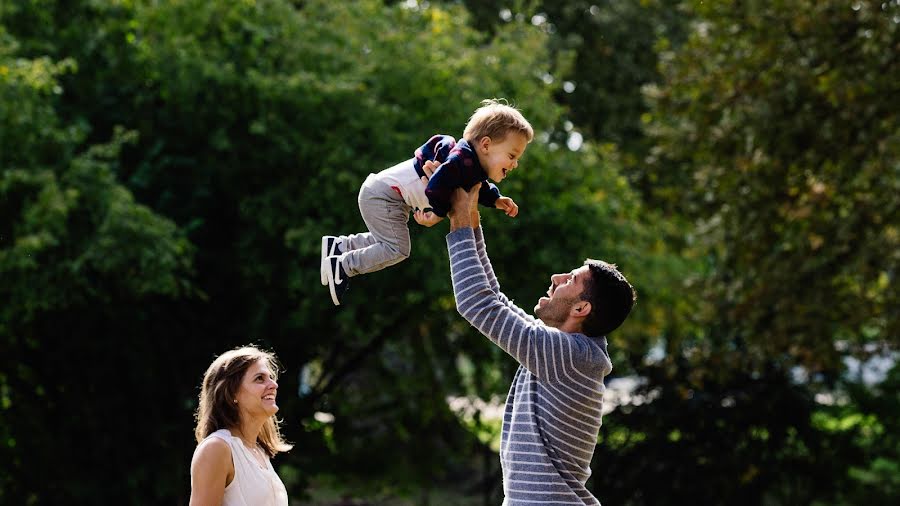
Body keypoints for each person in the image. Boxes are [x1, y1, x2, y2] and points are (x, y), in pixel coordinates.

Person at [444, 179, 636, 505]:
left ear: (581, 308)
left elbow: (477, 303)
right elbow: (495, 300)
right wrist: (469, 215)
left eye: (570, 280)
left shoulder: (565, 354)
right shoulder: (565, 352)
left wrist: (458, 222)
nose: (555, 278)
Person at [320, 98, 534, 305]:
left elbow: (479, 186)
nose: (515, 164)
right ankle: (342, 264)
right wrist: (437, 214)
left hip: (387, 196)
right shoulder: (459, 161)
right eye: (512, 155)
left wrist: (496, 199)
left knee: (387, 241)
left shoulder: (469, 164)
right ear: (486, 145)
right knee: (398, 248)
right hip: (383, 196)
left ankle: (340, 245)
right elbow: (436, 185)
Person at [190, 346, 291, 506]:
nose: (274, 385)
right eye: (259, 378)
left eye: (271, 377)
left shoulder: (258, 451)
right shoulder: (217, 448)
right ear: (232, 393)